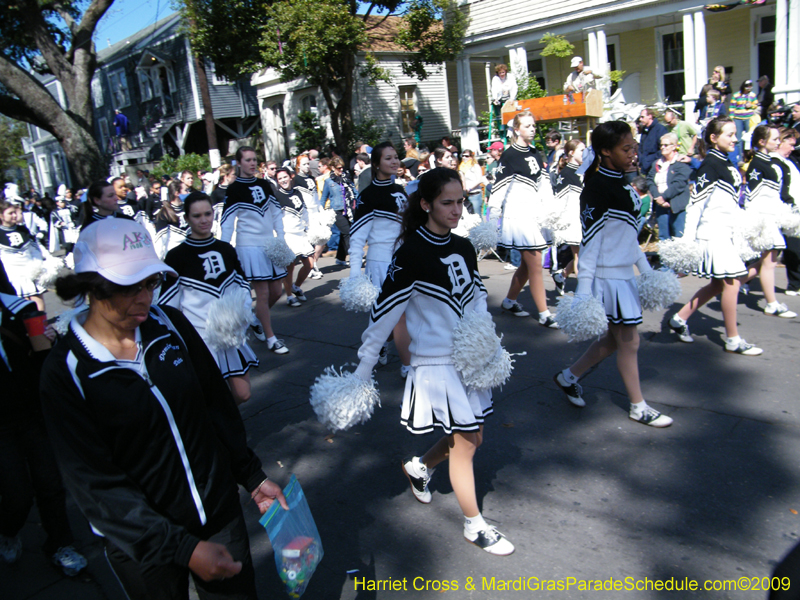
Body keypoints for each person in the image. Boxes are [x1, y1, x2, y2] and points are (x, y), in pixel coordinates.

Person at [40, 219, 288, 600]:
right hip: (141, 544)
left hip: (217, 513)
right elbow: (95, 485)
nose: (144, 297)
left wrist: (250, 473)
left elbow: (215, 405)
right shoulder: (66, 372)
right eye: (129, 286)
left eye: (151, 282)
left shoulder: (170, 324)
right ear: (91, 286)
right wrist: (182, 548)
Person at [354, 167, 515, 555]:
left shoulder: (462, 246)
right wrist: (362, 369)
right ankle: (474, 525)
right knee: (466, 443)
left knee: (473, 437)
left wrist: (487, 339)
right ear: (425, 204)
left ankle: (421, 466)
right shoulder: (409, 252)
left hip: (467, 358)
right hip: (436, 362)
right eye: (447, 202)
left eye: (461, 201)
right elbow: (384, 314)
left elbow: (476, 299)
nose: (457, 209)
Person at [553, 121, 673, 428]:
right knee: (629, 341)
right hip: (608, 279)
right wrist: (582, 292)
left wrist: (646, 272)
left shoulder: (621, 182)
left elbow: (627, 238)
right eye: (626, 148)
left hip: (624, 277)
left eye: (634, 147)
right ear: (605, 151)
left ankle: (568, 376)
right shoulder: (597, 188)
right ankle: (638, 406)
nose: (634, 154)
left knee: (613, 341)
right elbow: (590, 245)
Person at [0, 291, 88, 576]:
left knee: (50, 481)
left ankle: (61, 544)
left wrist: (50, 343)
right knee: (17, 493)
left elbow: (43, 364)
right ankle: (8, 529)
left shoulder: (19, 310)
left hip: (32, 413)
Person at [669, 118, 764, 355]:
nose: (735, 138)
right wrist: (687, 243)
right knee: (732, 283)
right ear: (714, 138)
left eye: (735, 134)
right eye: (729, 135)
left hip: (726, 234)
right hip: (713, 236)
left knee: (717, 285)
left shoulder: (726, 163)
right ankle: (733, 339)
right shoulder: (709, 166)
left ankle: (679, 319)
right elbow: (695, 207)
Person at [159, 193, 259, 405]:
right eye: (196, 216)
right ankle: (223, 431)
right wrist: (179, 337)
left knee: (242, 394)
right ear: (186, 218)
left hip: (229, 335)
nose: (204, 220)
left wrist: (239, 316)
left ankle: (223, 424)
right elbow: (168, 304)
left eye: (207, 214)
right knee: (211, 397)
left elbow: (241, 287)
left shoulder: (225, 249)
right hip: (200, 338)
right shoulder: (177, 256)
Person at [488, 110, 559, 328]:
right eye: (527, 126)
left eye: (533, 125)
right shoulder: (510, 154)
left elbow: (544, 184)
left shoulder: (536, 152)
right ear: (517, 129)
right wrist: (493, 216)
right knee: (535, 261)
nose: (532, 129)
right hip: (518, 214)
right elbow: (498, 188)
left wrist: (551, 209)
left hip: (533, 212)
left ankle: (509, 301)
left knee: (529, 265)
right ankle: (544, 313)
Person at [349, 141, 412, 376]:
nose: (395, 161)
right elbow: (356, 239)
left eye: (396, 157)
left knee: (394, 312)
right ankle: (407, 365)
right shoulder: (368, 196)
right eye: (388, 158)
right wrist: (355, 275)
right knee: (398, 314)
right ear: (376, 164)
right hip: (380, 262)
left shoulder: (399, 190)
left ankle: (380, 343)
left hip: (403, 259)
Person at [221, 146, 289, 354]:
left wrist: (282, 238)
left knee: (277, 291)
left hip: (270, 244)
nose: (251, 163)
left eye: (254, 160)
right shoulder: (233, 189)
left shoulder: (265, 184)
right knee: (262, 292)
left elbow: (276, 213)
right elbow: (227, 222)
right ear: (239, 163)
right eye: (247, 160)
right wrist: (224, 249)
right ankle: (271, 338)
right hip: (249, 246)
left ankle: (255, 319)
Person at [740, 125, 796, 318]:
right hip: (764, 219)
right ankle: (771, 303)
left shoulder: (770, 162)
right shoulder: (758, 164)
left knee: (765, 263)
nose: (778, 142)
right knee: (769, 262)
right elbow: (753, 197)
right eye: (774, 139)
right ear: (762, 142)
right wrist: (759, 222)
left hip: (772, 217)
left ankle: (732, 284)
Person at [274, 168, 314, 307]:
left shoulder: (297, 192)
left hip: (300, 233)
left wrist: (309, 227)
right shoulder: (276, 196)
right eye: (280, 179)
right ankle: (289, 296)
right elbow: (274, 218)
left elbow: (305, 212)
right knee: (289, 266)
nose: (283, 180)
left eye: (285, 177)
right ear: (277, 182)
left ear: (290, 177)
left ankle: (296, 286)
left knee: (310, 263)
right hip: (288, 235)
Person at [0, 199, 48, 311]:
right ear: (1, 216)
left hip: (29, 272)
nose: (14, 215)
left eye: (14, 212)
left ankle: (42, 325)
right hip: (12, 275)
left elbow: (35, 249)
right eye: (10, 213)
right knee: (23, 308)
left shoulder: (23, 229)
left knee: (38, 303)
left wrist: (38, 265)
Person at [551, 138, 586, 294]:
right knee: (580, 257)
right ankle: (583, 295)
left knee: (581, 254)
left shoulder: (581, 170)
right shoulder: (567, 173)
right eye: (581, 150)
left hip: (583, 218)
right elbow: (560, 200)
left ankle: (562, 274)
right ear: (571, 153)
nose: (584, 154)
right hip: (573, 220)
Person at [646, 132, 692, 240]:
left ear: (674, 146)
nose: (662, 147)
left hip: (676, 205)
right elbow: (650, 180)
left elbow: (679, 183)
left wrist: (664, 197)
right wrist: (657, 197)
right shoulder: (656, 163)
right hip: (660, 205)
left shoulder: (681, 162)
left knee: (678, 237)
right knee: (663, 237)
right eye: (661, 145)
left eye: (666, 145)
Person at [773, 128, 800, 295]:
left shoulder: (790, 161)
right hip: (784, 212)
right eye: (790, 145)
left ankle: (795, 284)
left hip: (794, 212)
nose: (792, 149)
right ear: (780, 142)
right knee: (767, 255)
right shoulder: (775, 163)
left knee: (794, 249)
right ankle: (741, 281)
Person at [293, 154, 325, 279]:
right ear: (298, 165)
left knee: (322, 238)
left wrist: (320, 210)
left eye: (308, 164)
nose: (307, 166)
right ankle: (310, 267)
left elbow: (316, 197)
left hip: (315, 211)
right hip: (305, 213)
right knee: (309, 241)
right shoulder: (296, 180)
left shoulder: (311, 178)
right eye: (304, 164)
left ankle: (314, 262)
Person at [153, 180, 190, 259]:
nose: (188, 193)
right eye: (186, 190)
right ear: (177, 193)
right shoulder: (164, 213)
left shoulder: (188, 208)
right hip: (175, 257)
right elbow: (160, 242)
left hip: (190, 253)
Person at [730, 80, 759, 164]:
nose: (749, 88)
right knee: (738, 139)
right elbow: (732, 107)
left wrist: (751, 106)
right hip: (738, 118)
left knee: (749, 137)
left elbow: (756, 105)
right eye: (747, 86)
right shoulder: (736, 95)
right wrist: (731, 119)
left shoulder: (753, 95)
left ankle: (749, 157)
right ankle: (740, 158)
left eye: (750, 86)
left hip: (748, 117)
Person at [638, 108, 669, 175]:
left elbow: (663, 148)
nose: (640, 119)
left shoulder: (660, 129)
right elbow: (641, 147)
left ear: (650, 116)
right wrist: (641, 160)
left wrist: (653, 162)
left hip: (655, 167)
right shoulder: (644, 130)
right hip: (645, 167)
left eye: (642, 117)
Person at [458, 149, 486, 215]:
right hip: (465, 195)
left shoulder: (475, 166)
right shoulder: (461, 167)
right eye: (463, 156)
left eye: (466, 156)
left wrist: (469, 188)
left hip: (475, 194)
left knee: (477, 216)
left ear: (471, 157)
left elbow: (479, 180)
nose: (464, 157)